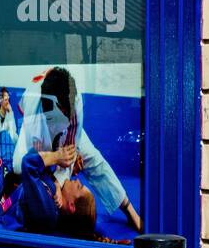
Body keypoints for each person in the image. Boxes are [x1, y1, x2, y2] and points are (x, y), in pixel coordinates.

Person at [12, 66, 142, 233]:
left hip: (66, 134)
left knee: (94, 159)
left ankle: (130, 211)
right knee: (18, 166)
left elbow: (70, 151)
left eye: (68, 113)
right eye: (63, 113)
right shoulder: (34, 104)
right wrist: (55, 169)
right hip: (36, 126)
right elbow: (32, 161)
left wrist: (62, 177)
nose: (67, 117)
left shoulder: (75, 100)